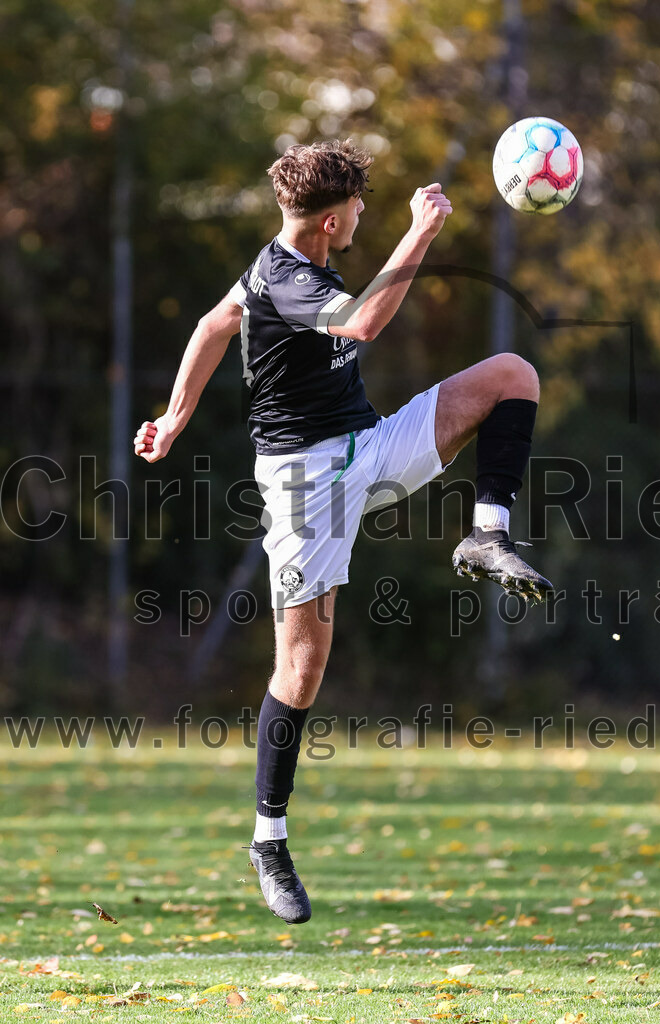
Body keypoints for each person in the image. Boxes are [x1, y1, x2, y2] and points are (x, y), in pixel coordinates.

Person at [133, 139, 552, 924]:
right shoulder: (291, 279)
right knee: (302, 667)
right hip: (306, 485)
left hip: (369, 447)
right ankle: (269, 840)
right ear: (330, 222)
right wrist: (421, 230)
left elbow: (216, 322)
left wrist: (174, 416)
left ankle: (486, 533)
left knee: (511, 376)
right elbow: (361, 324)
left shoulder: (282, 263)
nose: (363, 213)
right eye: (356, 206)